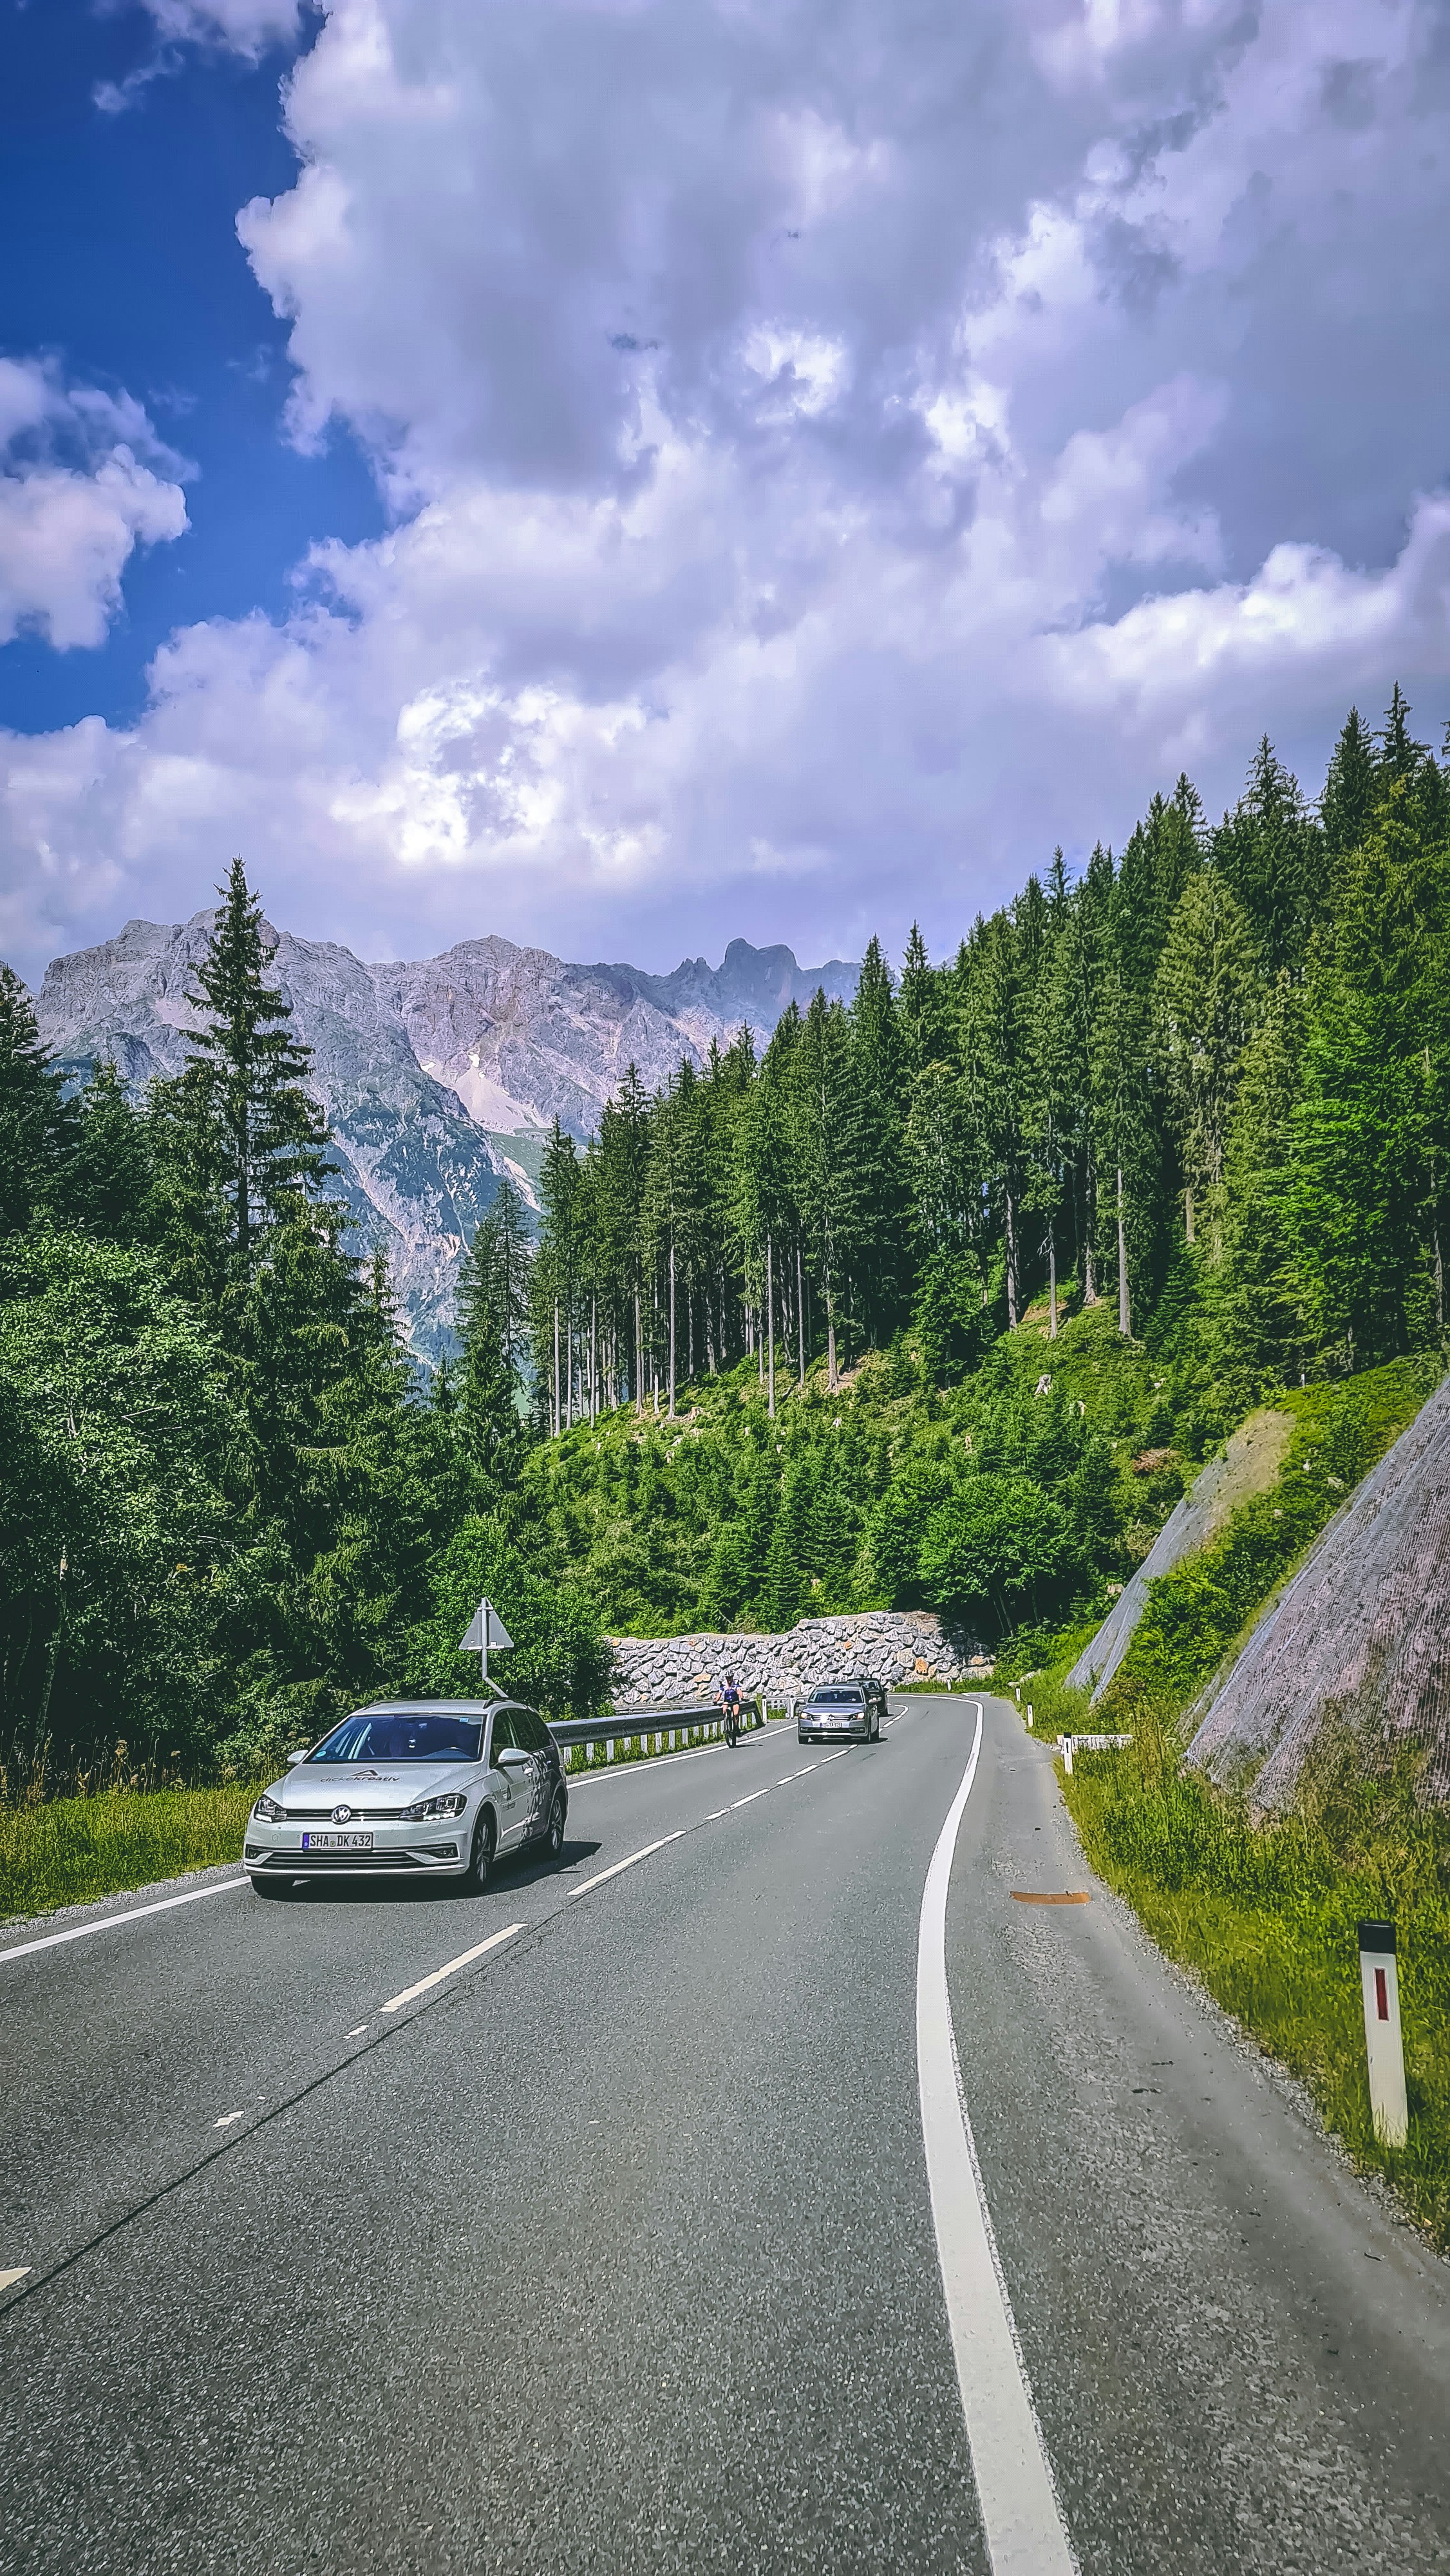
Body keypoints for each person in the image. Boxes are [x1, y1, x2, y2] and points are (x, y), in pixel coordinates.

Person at [717, 1672, 742, 1747]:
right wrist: (716, 1700)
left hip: (735, 1701)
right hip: (727, 1701)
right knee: (724, 1709)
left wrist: (742, 1696)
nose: (729, 1679)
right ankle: (727, 1725)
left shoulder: (736, 1683)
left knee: (735, 1714)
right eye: (727, 1678)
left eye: (730, 1678)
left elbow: (739, 1691)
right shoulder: (723, 1684)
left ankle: (736, 1727)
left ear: (732, 1677)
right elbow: (720, 1693)